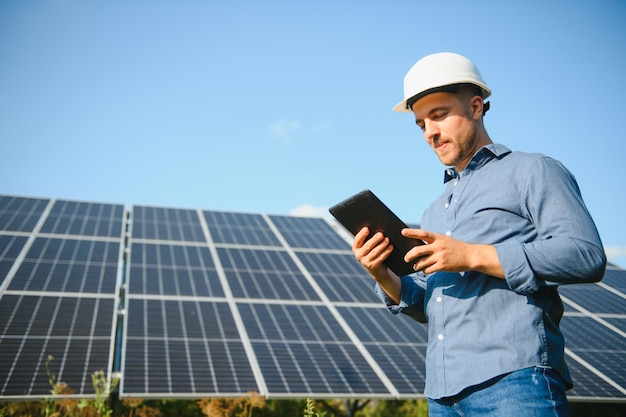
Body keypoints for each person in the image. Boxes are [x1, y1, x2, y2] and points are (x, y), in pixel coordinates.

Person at [351, 52, 606, 416]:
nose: (430, 133)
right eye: (421, 124)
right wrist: (382, 273)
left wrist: (471, 255)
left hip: (515, 382)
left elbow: (585, 255)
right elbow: (428, 305)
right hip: (442, 396)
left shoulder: (533, 170)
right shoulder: (434, 211)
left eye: (438, 116)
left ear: (476, 107)